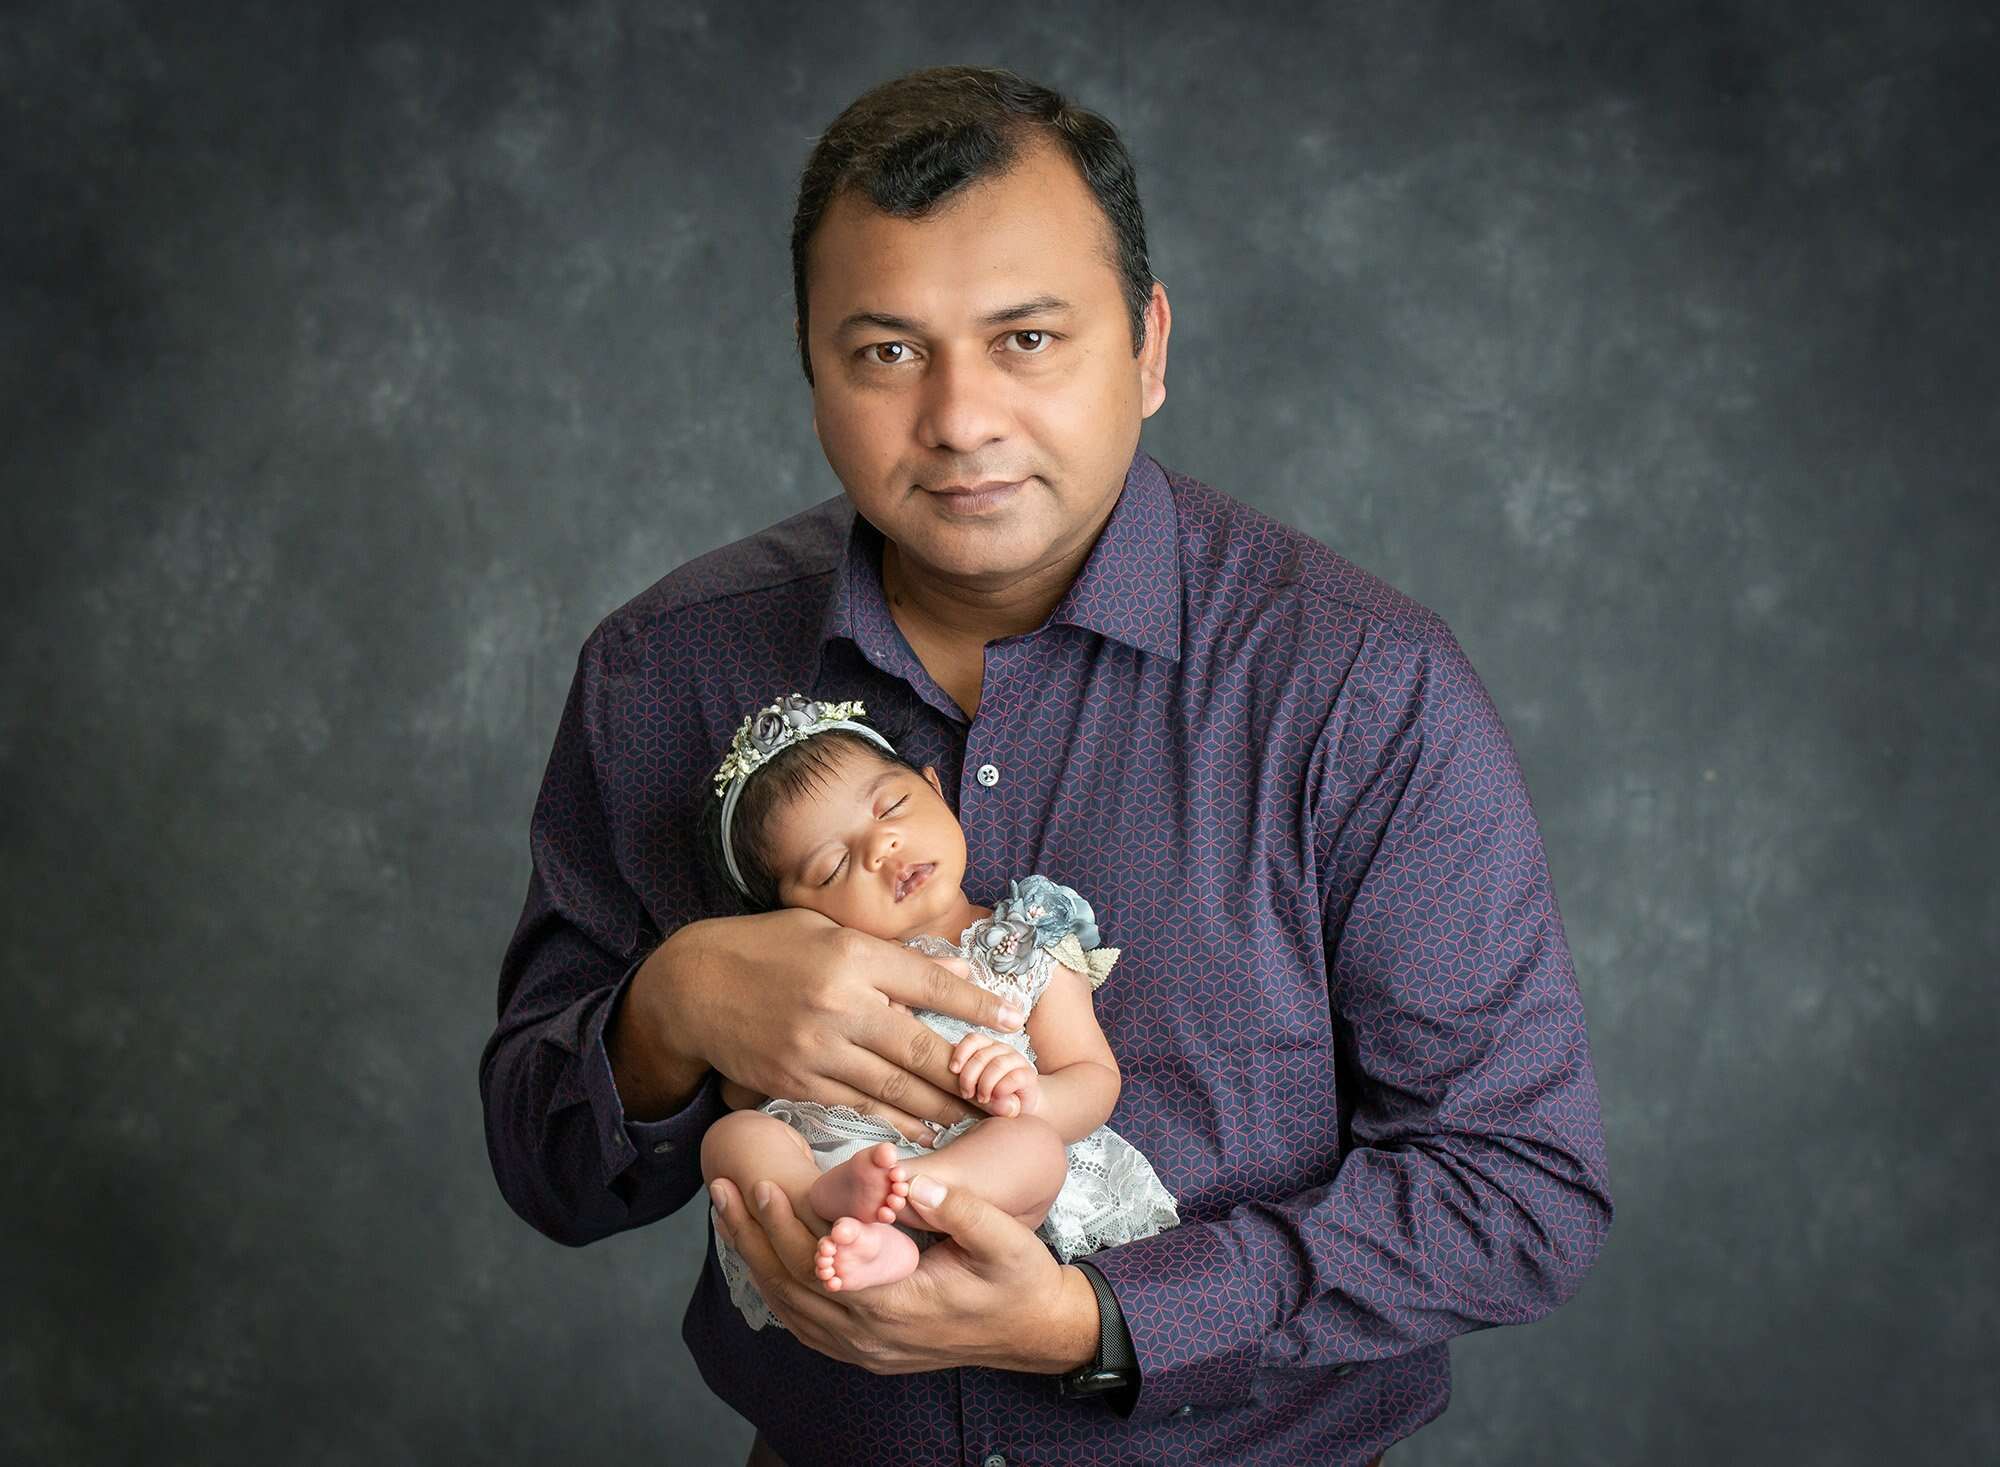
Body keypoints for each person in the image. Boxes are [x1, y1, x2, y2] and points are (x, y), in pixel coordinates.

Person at [480, 64, 1613, 1467]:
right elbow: (547, 1171)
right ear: (811, 365)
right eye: (886, 352)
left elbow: (1517, 1192)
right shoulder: (663, 669)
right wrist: (670, 1010)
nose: (959, 418)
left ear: (1146, 344)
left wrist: (1095, 1320)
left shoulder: (1361, 687)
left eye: (1025, 337)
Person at [692, 693, 1180, 1329]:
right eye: (834, 867)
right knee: (732, 1139)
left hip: (976, 1169)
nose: (882, 846)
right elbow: (743, 1090)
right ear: (789, 918)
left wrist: (1029, 1095)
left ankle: (904, 1200)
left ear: (935, 787)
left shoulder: (1026, 941)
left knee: (1036, 1149)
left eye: (892, 807)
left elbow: (1093, 1077)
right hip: (834, 1157)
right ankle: (842, 1221)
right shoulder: (809, 986)